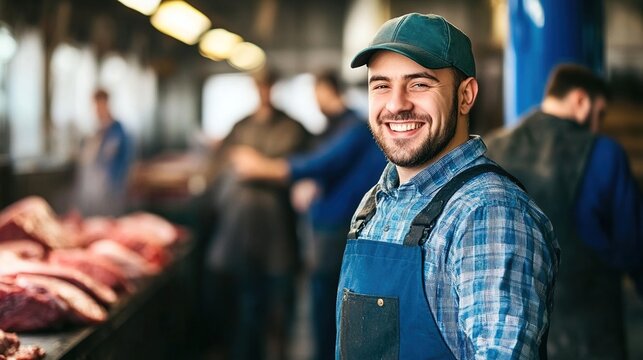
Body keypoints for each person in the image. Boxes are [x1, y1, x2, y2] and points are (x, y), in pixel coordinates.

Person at [329, 13, 559, 359]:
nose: (396, 104)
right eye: (381, 85)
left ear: (465, 96)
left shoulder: (488, 213)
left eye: (419, 84)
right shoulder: (377, 201)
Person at [485, 64, 643, 360]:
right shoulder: (604, 153)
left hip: (509, 336)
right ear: (582, 101)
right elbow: (632, 247)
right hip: (589, 337)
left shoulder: (492, 147)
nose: (598, 124)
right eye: (600, 113)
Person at [229, 70, 387, 360]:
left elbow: (323, 162)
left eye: (317, 94)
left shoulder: (355, 127)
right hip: (329, 224)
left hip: (339, 227)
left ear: (328, 90)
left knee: (330, 305)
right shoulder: (335, 126)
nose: (316, 102)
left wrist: (264, 167)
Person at [203, 70, 311, 360]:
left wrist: (259, 166)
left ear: (275, 87)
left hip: (279, 232)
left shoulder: (292, 128)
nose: (264, 91)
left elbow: (303, 169)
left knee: (280, 306)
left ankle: (279, 350)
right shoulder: (239, 127)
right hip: (239, 232)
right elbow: (218, 171)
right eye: (259, 85)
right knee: (245, 308)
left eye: (268, 85)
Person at [75, 88, 132, 216]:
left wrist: (115, 182)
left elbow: (125, 160)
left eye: (100, 105)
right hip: (92, 191)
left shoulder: (118, 131)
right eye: (95, 106)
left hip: (111, 188)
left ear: (107, 104)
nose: (97, 110)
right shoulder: (94, 132)